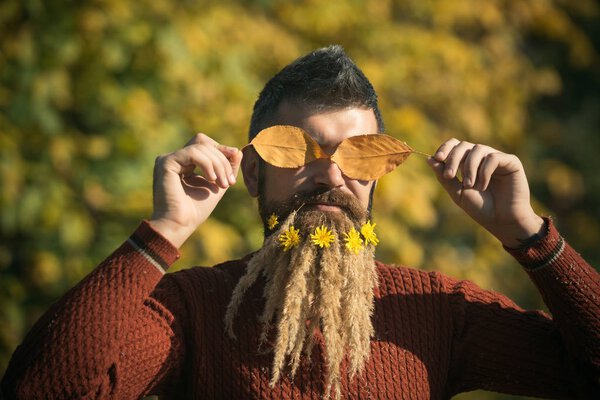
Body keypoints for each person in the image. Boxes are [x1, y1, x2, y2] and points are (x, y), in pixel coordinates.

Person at [1, 45, 599, 400]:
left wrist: (530, 237)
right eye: (298, 152)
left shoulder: (437, 310)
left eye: (355, 154)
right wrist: (161, 235)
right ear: (254, 176)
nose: (330, 177)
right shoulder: (195, 308)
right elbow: (43, 391)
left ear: (380, 170)